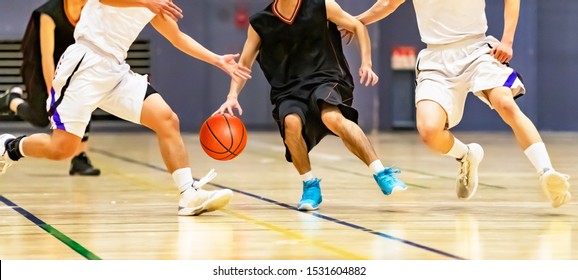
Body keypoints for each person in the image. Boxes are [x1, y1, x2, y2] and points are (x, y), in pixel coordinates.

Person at [0, 0, 252, 216]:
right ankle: (11, 147)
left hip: (115, 70)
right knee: (62, 149)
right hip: (84, 65)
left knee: (166, 118)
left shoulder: (156, 2)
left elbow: (177, 37)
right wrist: (145, 2)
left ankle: (188, 193)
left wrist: (217, 59)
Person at [350, 0, 571, 208]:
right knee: (429, 131)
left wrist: (507, 41)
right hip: (435, 58)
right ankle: (466, 155)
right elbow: (389, 3)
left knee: (505, 103)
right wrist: (357, 21)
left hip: (477, 49)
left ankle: (547, 172)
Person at [214, 0, 407, 211]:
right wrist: (232, 95)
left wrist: (367, 63)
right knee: (291, 124)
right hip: (289, 89)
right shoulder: (261, 22)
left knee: (331, 117)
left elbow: (357, 26)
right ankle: (310, 185)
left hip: (327, 78)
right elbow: (244, 65)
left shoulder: (322, 5)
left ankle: (381, 173)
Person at [0, 0, 101, 176]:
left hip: (70, 63)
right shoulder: (48, 13)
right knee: (41, 118)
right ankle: (11, 100)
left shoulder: (92, 9)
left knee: (84, 98)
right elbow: (46, 57)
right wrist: (53, 92)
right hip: (40, 65)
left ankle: (79, 158)